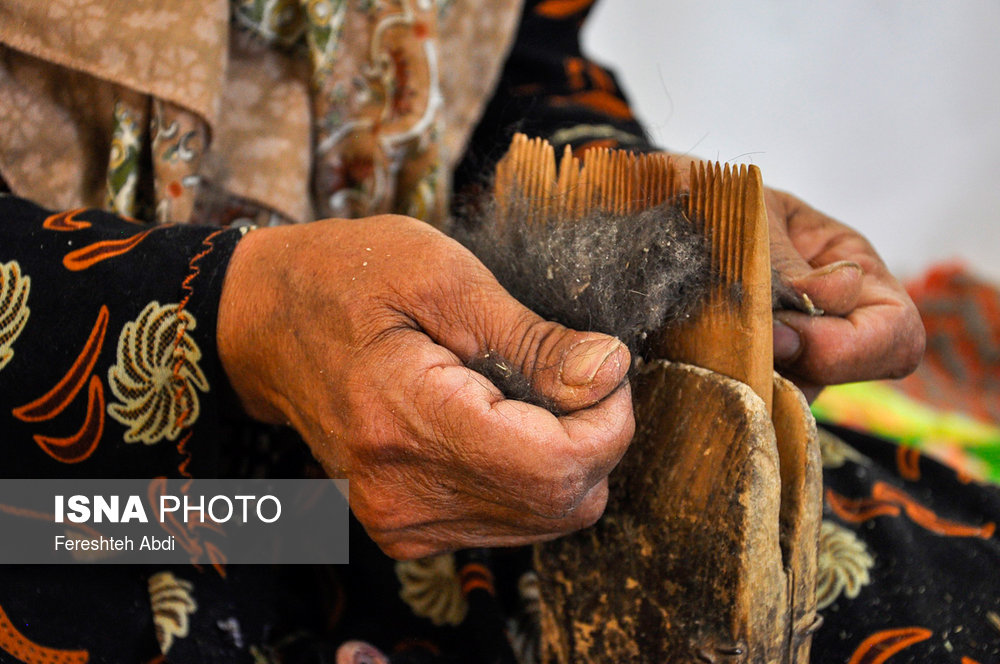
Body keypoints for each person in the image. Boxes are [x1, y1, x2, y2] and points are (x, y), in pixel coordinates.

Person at [5, 1, 991, 663]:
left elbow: (507, 66)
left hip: (459, 449)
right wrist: (233, 313)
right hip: (60, 514)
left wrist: (634, 233)